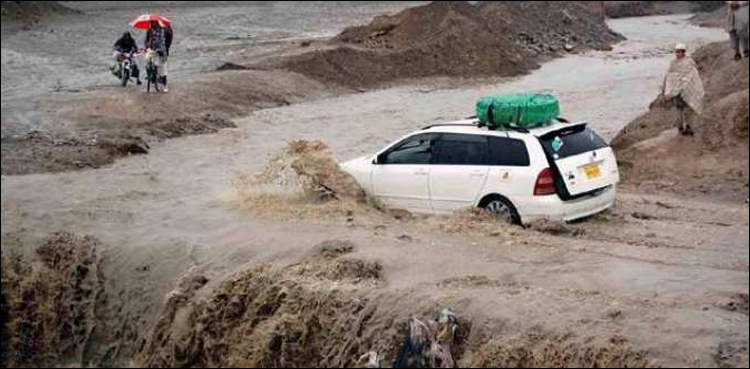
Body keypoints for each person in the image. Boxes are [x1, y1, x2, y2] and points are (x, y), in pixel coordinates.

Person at [662, 43, 705, 136]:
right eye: (677, 52)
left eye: (679, 52)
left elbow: (693, 76)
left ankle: (689, 127)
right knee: (679, 109)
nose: (678, 54)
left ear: (683, 52)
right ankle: (681, 128)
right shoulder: (674, 63)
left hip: (686, 90)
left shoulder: (688, 62)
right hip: (678, 92)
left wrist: (678, 85)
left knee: (688, 109)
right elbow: (669, 77)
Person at [144, 20, 170, 92]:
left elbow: (167, 40)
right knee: (147, 60)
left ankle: (164, 85)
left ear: (157, 23)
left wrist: (165, 49)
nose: (152, 24)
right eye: (151, 23)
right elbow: (146, 40)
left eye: (153, 22)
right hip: (152, 50)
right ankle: (149, 74)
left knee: (163, 69)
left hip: (161, 51)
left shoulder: (163, 30)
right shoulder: (149, 30)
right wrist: (146, 46)